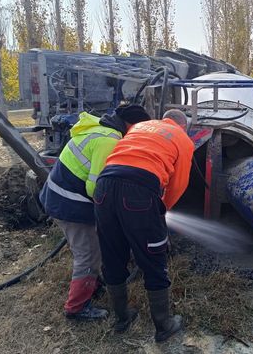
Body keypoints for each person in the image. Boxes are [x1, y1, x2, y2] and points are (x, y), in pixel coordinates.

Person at [39, 104, 151, 321]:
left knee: (95, 247)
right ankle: (77, 308)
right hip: (69, 204)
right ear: (131, 125)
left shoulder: (103, 127)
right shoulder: (109, 140)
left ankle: (93, 284)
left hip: (62, 195)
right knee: (88, 255)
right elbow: (96, 188)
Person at [94, 109, 194, 342]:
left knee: (112, 254)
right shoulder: (182, 139)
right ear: (183, 126)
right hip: (139, 192)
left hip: (104, 187)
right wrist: (161, 212)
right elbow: (178, 185)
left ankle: (122, 318)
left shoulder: (139, 127)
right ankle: (164, 325)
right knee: (154, 258)